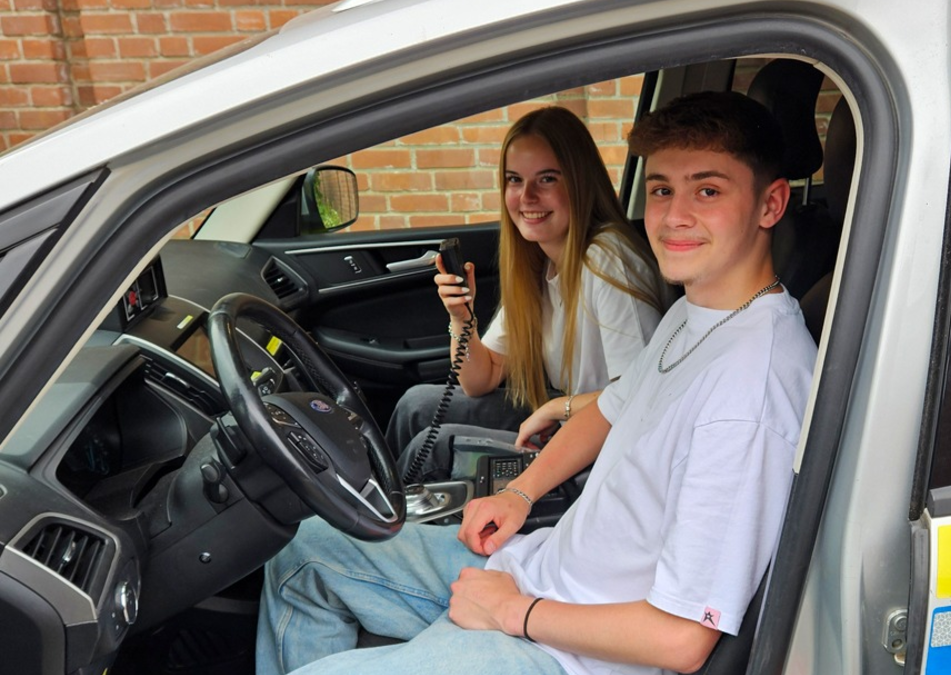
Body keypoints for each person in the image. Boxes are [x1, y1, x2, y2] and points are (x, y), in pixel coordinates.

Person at [257, 90, 818, 675]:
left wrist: (514, 612)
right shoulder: (695, 313)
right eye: (660, 190)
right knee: (305, 552)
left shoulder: (751, 389)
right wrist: (517, 495)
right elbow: (610, 410)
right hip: (539, 570)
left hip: (562, 650)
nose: (674, 216)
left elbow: (680, 639)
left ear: (770, 204)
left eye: (708, 191)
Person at [387, 106, 666, 482]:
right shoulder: (541, 262)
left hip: (605, 447)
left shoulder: (608, 259)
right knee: (416, 406)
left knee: (435, 447)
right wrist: (460, 318)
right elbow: (478, 380)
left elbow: (643, 399)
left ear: (580, 182)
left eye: (547, 179)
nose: (527, 196)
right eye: (515, 180)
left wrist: (558, 408)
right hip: (568, 418)